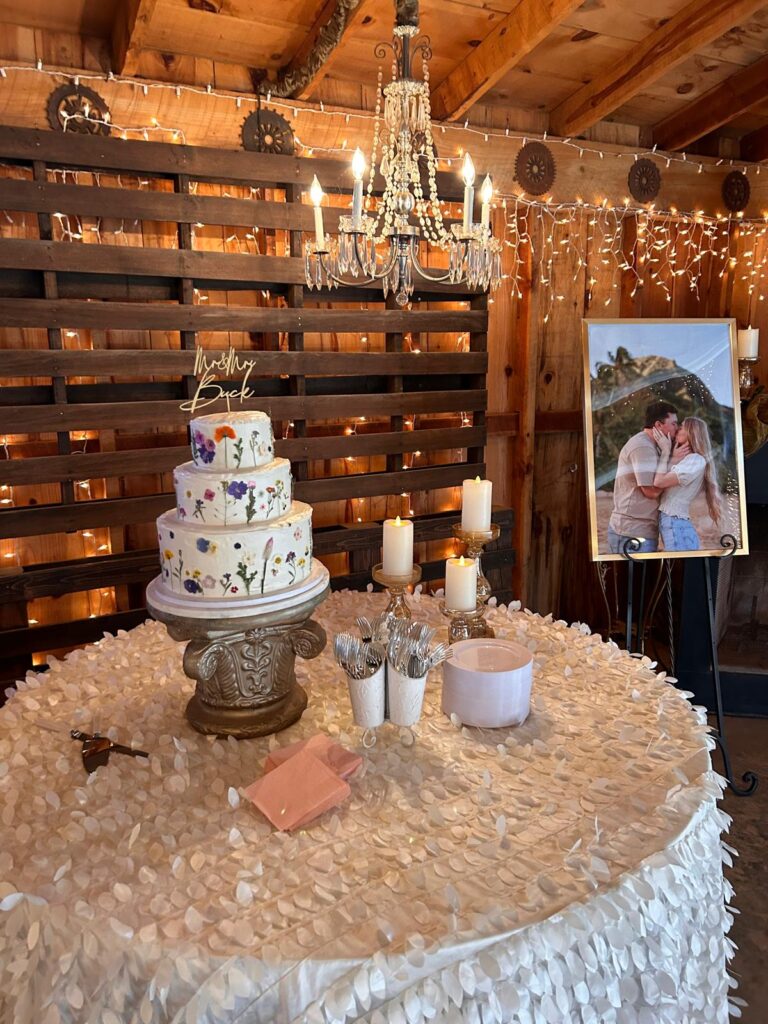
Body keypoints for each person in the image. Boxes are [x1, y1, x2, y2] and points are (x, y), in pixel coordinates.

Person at [607, 400, 678, 554]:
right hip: (631, 533)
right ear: (658, 425)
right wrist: (667, 454)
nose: (677, 429)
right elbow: (651, 492)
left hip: (638, 531)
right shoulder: (643, 447)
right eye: (673, 424)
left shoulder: (652, 446)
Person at [652, 416, 722, 551]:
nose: (678, 429)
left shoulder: (695, 460)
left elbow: (659, 481)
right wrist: (673, 458)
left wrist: (666, 452)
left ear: (692, 432)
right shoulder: (690, 460)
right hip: (675, 523)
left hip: (675, 523)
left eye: (683, 426)